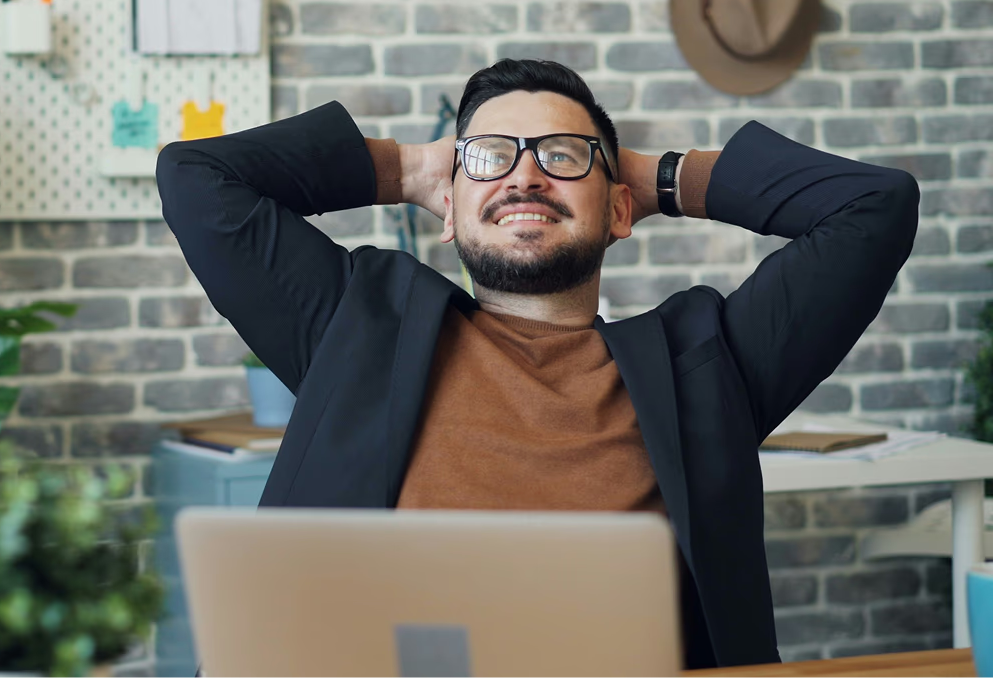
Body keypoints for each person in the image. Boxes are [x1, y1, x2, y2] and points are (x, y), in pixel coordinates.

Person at [155, 58, 919, 669]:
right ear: (447, 207)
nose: (525, 176)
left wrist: (651, 176)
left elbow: (873, 207)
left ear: (619, 210)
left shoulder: (709, 364)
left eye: (562, 155)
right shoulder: (357, 326)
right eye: (490, 157)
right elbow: (197, 180)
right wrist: (415, 166)